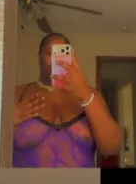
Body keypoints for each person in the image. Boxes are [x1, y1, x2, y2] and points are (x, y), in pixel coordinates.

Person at [13, 33, 122, 167]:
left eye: (62, 55)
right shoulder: (18, 94)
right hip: (26, 181)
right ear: (39, 57)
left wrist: (86, 96)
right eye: (50, 54)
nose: (56, 61)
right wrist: (4, 121)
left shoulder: (90, 94)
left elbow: (112, 148)